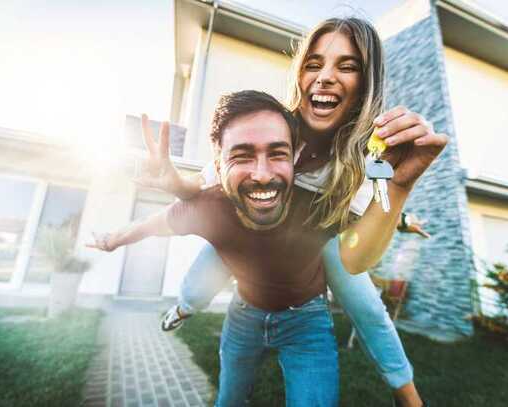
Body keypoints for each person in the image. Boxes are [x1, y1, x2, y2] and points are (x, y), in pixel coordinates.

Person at [97, 18, 447, 406]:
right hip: (250, 230)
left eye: (346, 66)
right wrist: (172, 182)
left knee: (366, 305)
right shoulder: (265, 127)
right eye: (314, 64)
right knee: (210, 266)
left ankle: (406, 391)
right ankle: (183, 307)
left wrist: (398, 187)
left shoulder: (366, 158)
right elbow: (201, 194)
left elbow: (355, 255)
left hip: (312, 241)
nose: (326, 77)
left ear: (366, 84)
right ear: (299, 73)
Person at [91, 90, 341, 405]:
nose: (262, 175)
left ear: (294, 158)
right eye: (241, 156)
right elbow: (147, 225)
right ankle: (181, 309)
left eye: (277, 153)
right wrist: (112, 240)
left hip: (308, 320)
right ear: (217, 168)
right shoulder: (208, 207)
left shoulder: (319, 208)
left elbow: (363, 213)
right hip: (245, 315)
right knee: (229, 399)